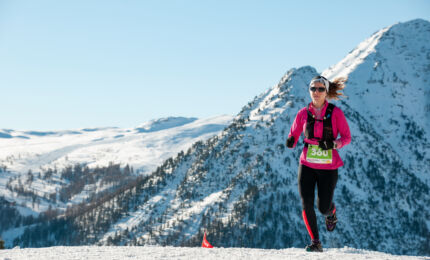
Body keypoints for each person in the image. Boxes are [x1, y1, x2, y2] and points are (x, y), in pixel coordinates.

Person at [286, 75, 351, 252]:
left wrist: (333, 144)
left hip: (328, 167)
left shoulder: (335, 113)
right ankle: (316, 242)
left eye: (320, 89)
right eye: (313, 89)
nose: (316, 92)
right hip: (307, 164)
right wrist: (291, 140)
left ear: (326, 91)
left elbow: (346, 137)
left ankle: (331, 212)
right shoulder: (302, 113)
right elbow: (295, 132)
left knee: (322, 208)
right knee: (306, 202)